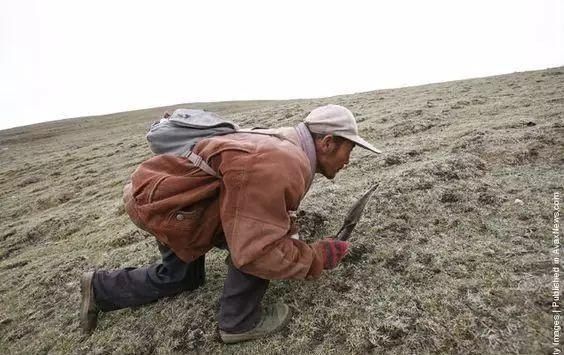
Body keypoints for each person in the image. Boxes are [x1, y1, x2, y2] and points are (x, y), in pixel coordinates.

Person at [79, 104, 382, 343]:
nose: (349, 161)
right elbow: (257, 249)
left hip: (165, 197)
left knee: (181, 277)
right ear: (328, 143)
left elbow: (261, 204)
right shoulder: (284, 161)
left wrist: (287, 231)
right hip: (170, 206)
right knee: (262, 240)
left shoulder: (285, 141)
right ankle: (239, 323)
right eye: (349, 149)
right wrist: (315, 257)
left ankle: (100, 288)